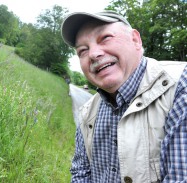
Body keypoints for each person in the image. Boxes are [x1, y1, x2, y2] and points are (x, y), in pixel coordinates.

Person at [61, 11, 187, 183]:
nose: (93, 54)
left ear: (135, 40)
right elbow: (80, 174)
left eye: (105, 37)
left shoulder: (180, 85)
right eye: (83, 50)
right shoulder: (87, 113)